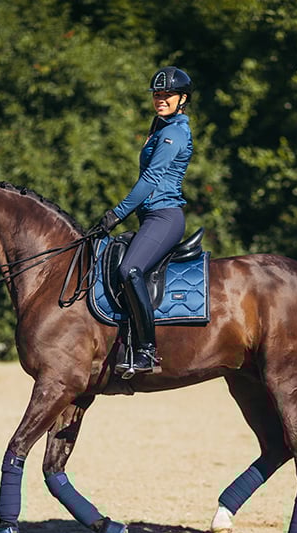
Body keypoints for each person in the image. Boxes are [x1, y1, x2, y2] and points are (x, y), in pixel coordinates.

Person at [99, 66, 194, 379]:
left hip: (165, 216)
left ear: (183, 98)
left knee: (130, 269)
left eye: (167, 94)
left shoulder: (174, 132)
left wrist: (117, 213)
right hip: (151, 216)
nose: (161, 99)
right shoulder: (160, 126)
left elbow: (151, 178)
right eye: (157, 94)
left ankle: (147, 350)